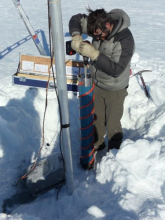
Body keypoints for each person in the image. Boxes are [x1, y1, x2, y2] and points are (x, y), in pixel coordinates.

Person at [69, 8, 135, 152]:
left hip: (115, 89)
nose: (97, 39)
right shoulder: (97, 24)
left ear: (108, 25)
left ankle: (114, 155)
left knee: (113, 124)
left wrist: (94, 54)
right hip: (98, 84)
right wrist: (76, 36)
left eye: (99, 36)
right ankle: (97, 147)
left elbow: (116, 69)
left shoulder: (125, 40)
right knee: (97, 120)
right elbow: (77, 18)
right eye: (95, 36)